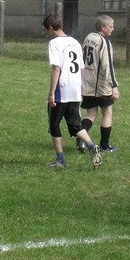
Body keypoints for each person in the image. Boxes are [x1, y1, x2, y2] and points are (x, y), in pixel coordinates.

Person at [42, 13, 102, 170]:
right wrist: (78, 87)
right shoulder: (75, 42)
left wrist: (51, 93)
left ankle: (60, 159)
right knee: (75, 126)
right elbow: (82, 69)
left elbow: (56, 68)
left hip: (61, 90)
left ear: (50, 28)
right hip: (75, 90)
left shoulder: (54, 43)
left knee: (54, 126)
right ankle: (91, 145)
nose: (47, 34)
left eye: (46, 31)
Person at [79, 15, 120, 153]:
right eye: (110, 26)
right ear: (103, 27)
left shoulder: (88, 38)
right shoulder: (104, 42)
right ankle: (104, 146)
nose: (113, 29)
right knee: (107, 112)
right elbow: (107, 66)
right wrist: (114, 86)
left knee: (91, 113)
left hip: (87, 83)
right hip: (101, 84)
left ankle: (81, 136)